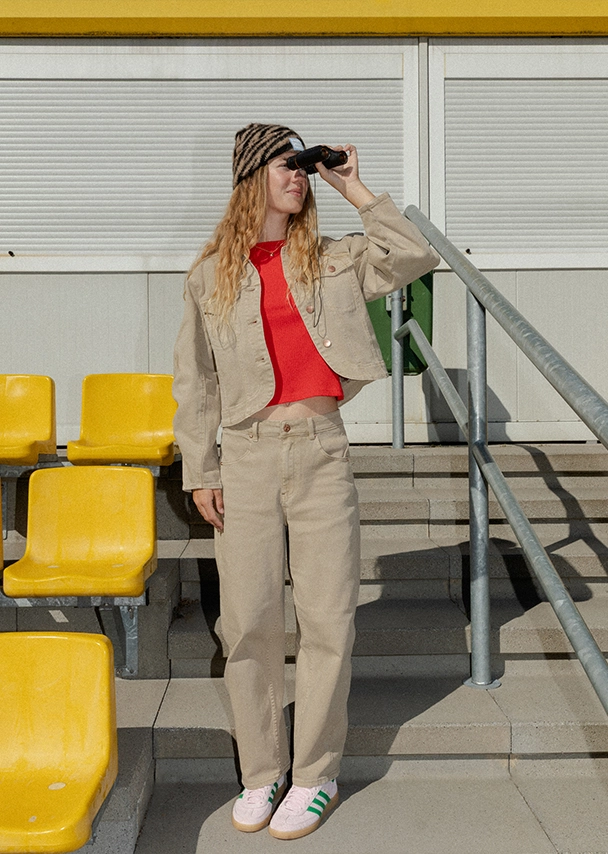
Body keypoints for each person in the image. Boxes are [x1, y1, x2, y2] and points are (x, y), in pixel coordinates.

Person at [172, 122, 439, 840]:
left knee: (326, 621)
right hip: (247, 457)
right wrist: (201, 469)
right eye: (288, 164)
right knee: (249, 623)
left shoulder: (334, 258)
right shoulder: (207, 276)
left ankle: (314, 774)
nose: (300, 174)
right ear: (251, 174)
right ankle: (262, 772)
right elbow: (194, 382)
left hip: (320, 450)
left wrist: (350, 185)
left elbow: (414, 253)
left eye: (305, 166)